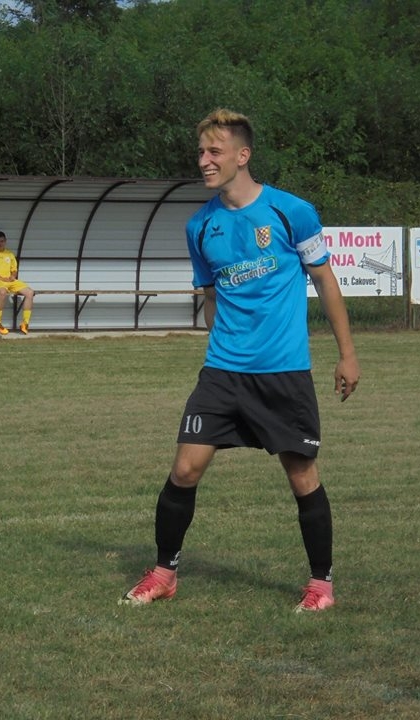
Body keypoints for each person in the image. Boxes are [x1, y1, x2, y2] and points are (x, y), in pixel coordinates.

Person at [120, 108, 360, 612]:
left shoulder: (292, 212)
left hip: (283, 371)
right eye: (201, 153)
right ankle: (164, 574)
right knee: (185, 469)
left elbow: (325, 281)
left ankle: (321, 585)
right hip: (223, 371)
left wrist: (347, 355)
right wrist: (224, 343)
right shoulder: (200, 226)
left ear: (242, 155)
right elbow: (210, 297)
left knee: (302, 476)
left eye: (215, 152)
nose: (204, 161)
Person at [0, 231, 34, 335]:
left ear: (5, 241)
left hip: (9, 281)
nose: (0, 244)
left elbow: (14, 269)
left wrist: (13, 276)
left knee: (30, 292)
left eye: (2, 241)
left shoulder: (9, 254)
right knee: (2, 292)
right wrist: (1, 278)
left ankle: (25, 323)